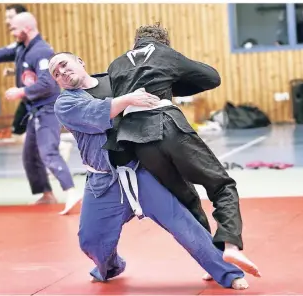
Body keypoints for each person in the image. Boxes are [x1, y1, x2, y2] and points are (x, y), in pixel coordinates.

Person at [48, 52, 249, 290]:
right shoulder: (65, 103)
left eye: (63, 65)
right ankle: (111, 266)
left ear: (80, 61)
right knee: (90, 240)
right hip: (104, 182)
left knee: (183, 224)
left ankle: (227, 273)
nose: (61, 73)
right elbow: (97, 113)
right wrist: (129, 99)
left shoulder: (117, 80)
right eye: (56, 74)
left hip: (142, 172)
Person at [106, 23, 260, 278]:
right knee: (221, 185)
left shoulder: (116, 64)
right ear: (163, 41)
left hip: (136, 140)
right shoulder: (164, 53)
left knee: (186, 199)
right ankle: (231, 244)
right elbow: (212, 77)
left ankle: (213, 261)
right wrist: (172, 82)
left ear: (136, 41)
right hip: (168, 126)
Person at [0, 12, 79, 210]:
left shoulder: (41, 51)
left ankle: (71, 191)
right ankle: (47, 194)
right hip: (34, 110)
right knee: (30, 156)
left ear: (27, 28)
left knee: (48, 151)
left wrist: (21, 91)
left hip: (47, 109)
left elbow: (47, 84)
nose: (11, 32)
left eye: (13, 28)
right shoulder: (23, 48)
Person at [0, 4, 29, 144]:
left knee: (20, 132)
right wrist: (15, 71)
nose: (7, 21)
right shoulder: (20, 45)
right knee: (21, 132)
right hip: (30, 98)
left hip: (39, 99)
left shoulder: (32, 44)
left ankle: (56, 148)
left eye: (10, 17)